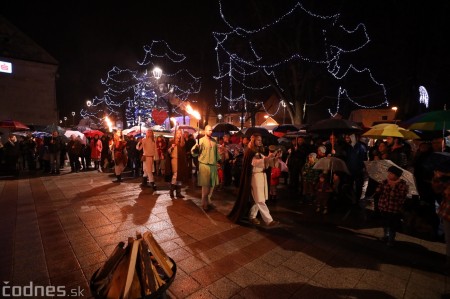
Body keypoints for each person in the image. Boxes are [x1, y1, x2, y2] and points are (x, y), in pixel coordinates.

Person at [228, 133, 280, 226]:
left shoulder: (259, 152)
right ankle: (269, 220)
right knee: (260, 199)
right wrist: (268, 158)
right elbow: (255, 163)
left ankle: (252, 216)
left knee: (257, 198)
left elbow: (269, 164)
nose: (260, 141)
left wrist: (275, 158)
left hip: (262, 176)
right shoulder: (250, 152)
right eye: (258, 140)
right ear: (253, 141)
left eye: (261, 140)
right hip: (255, 176)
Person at [375, 165, 409, 247]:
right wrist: (378, 190)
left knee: (392, 225)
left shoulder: (402, 184)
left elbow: (401, 196)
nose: (389, 175)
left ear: (397, 175)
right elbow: (379, 189)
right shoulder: (385, 181)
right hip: (383, 206)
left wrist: (394, 190)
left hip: (393, 208)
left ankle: (391, 239)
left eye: (391, 173)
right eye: (388, 173)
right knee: (384, 223)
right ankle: (385, 236)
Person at [192, 125, 221, 211]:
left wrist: (219, 162)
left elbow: (217, 154)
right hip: (204, 165)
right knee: (205, 186)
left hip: (213, 165)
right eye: (209, 130)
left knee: (212, 185)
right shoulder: (200, 141)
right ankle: (204, 203)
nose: (210, 132)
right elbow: (194, 153)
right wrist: (196, 150)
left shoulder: (214, 141)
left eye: (211, 130)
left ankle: (208, 200)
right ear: (205, 131)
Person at [168, 128, 188, 198]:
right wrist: (171, 147)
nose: (179, 135)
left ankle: (178, 192)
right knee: (175, 175)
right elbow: (168, 152)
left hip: (181, 161)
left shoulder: (182, 143)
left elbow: (184, 153)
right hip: (174, 160)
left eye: (180, 133)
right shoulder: (171, 141)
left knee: (180, 176)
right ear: (175, 134)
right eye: (177, 133)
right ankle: (171, 190)